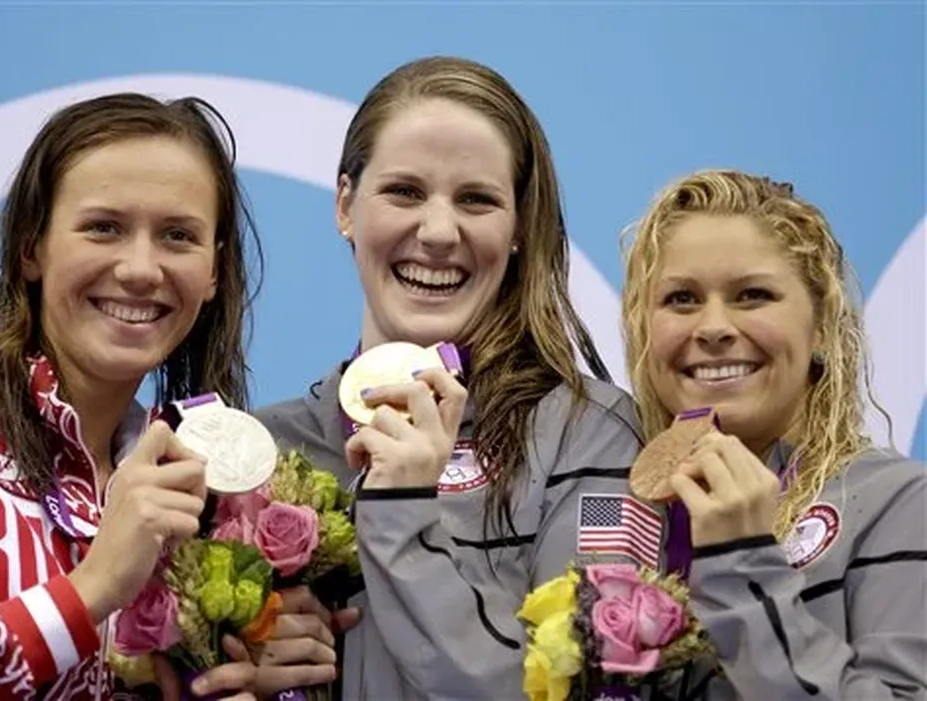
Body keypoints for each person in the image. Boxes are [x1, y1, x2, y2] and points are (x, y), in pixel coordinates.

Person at [195, 56, 655, 701]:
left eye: (476, 199)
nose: (439, 232)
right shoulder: (264, 450)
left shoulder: (592, 436)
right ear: (346, 206)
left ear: (520, 227)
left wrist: (401, 513)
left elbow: (582, 688)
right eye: (405, 192)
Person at [0, 92, 314, 700]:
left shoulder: (213, 494)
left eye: (177, 236)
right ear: (32, 247)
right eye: (103, 227)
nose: (140, 269)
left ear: (213, 271)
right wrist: (91, 591)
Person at [620, 169, 926, 700]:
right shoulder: (610, 504)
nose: (712, 326)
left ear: (822, 323)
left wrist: (743, 561)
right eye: (682, 299)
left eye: (752, 295)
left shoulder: (897, 503)